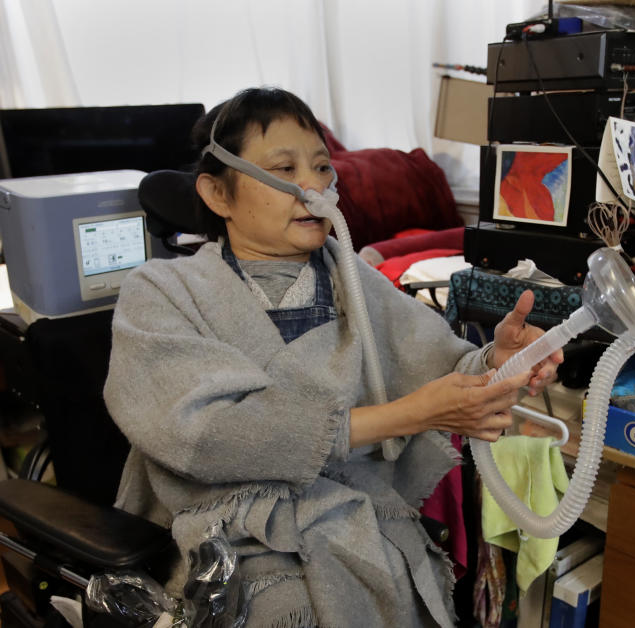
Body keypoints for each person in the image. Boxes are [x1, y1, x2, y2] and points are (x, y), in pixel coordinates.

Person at [103, 87, 562, 628]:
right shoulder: (160, 292)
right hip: (219, 538)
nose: (314, 185)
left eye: (322, 168)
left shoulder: (354, 283)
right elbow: (202, 433)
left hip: (352, 519)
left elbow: (441, 362)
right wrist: (409, 414)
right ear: (217, 194)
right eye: (285, 167)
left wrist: (498, 363)